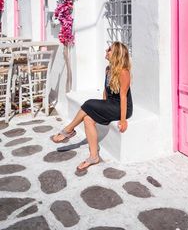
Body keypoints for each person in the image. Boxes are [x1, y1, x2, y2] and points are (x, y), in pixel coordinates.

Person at [52, 41, 133, 172]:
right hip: (110, 104)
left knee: (88, 103)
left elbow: (123, 96)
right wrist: (102, 107)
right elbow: (105, 91)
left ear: (117, 54)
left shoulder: (124, 72)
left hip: (122, 107)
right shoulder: (108, 69)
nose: (106, 51)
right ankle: (94, 157)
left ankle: (68, 130)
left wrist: (123, 120)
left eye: (109, 49)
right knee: (88, 119)